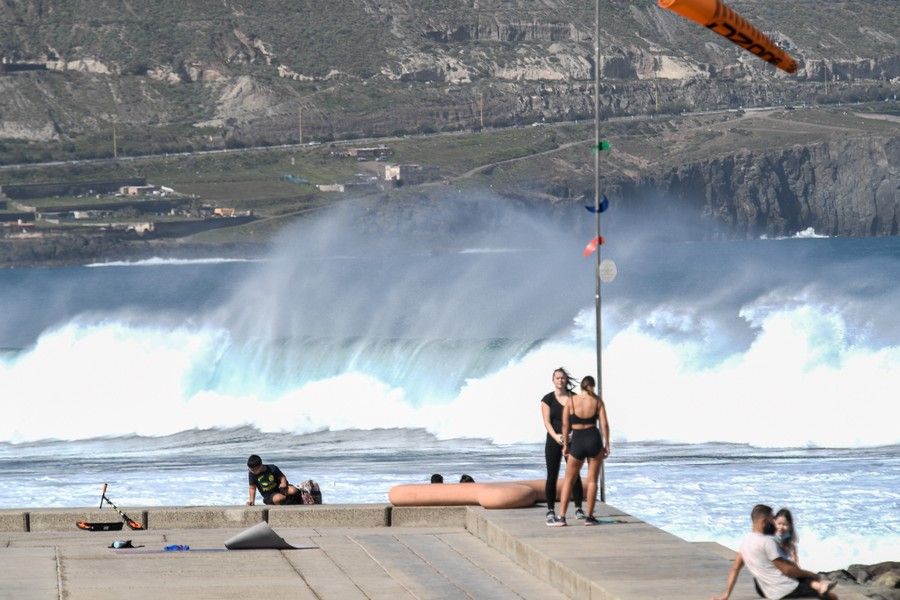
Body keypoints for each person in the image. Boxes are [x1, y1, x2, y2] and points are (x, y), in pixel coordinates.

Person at [712, 504, 838, 600]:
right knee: (831, 597)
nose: (774, 523)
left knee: (813, 585)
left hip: (764, 589)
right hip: (783, 589)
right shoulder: (767, 541)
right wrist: (811, 574)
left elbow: (735, 568)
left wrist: (726, 594)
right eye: (772, 520)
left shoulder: (745, 542)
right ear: (763, 522)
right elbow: (787, 570)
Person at [548, 375, 610, 526]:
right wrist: (606, 443)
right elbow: (604, 425)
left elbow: (564, 425)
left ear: (581, 386)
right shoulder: (597, 401)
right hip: (593, 439)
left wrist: (565, 445)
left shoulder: (571, 400)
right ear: (593, 386)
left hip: (577, 441)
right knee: (592, 480)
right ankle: (589, 517)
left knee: (569, 479)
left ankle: (561, 517)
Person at [541, 367, 585, 525]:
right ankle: (551, 510)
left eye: (562, 378)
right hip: (554, 440)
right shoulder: (547, 399)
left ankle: (579, 508)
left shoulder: (575, 398)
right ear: (553, 380)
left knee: (574, 475)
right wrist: (556, 436)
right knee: (552, 475)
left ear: (566, 380)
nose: (560, 380)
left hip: (573, 440)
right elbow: (546, 422)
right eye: (557, 378)